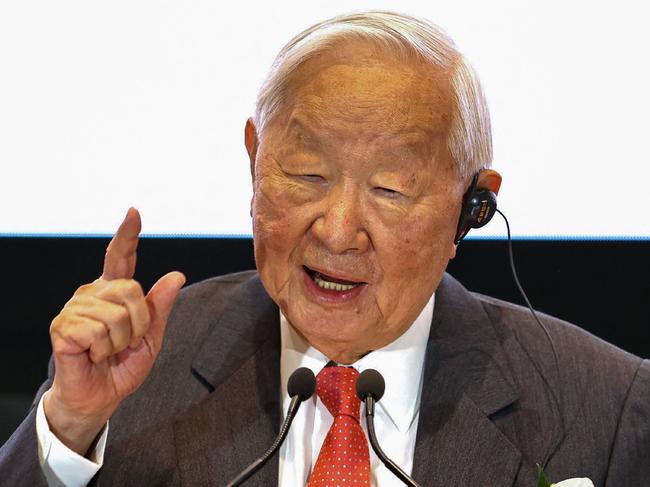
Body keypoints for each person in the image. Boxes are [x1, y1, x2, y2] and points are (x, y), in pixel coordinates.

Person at [0, 11, 648, 487]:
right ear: (255, 160)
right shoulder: (139, 374)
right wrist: (71, 428)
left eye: (391, 188)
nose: (337, 231)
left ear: (472, 205)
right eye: (306, 174)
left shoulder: (603, 407)